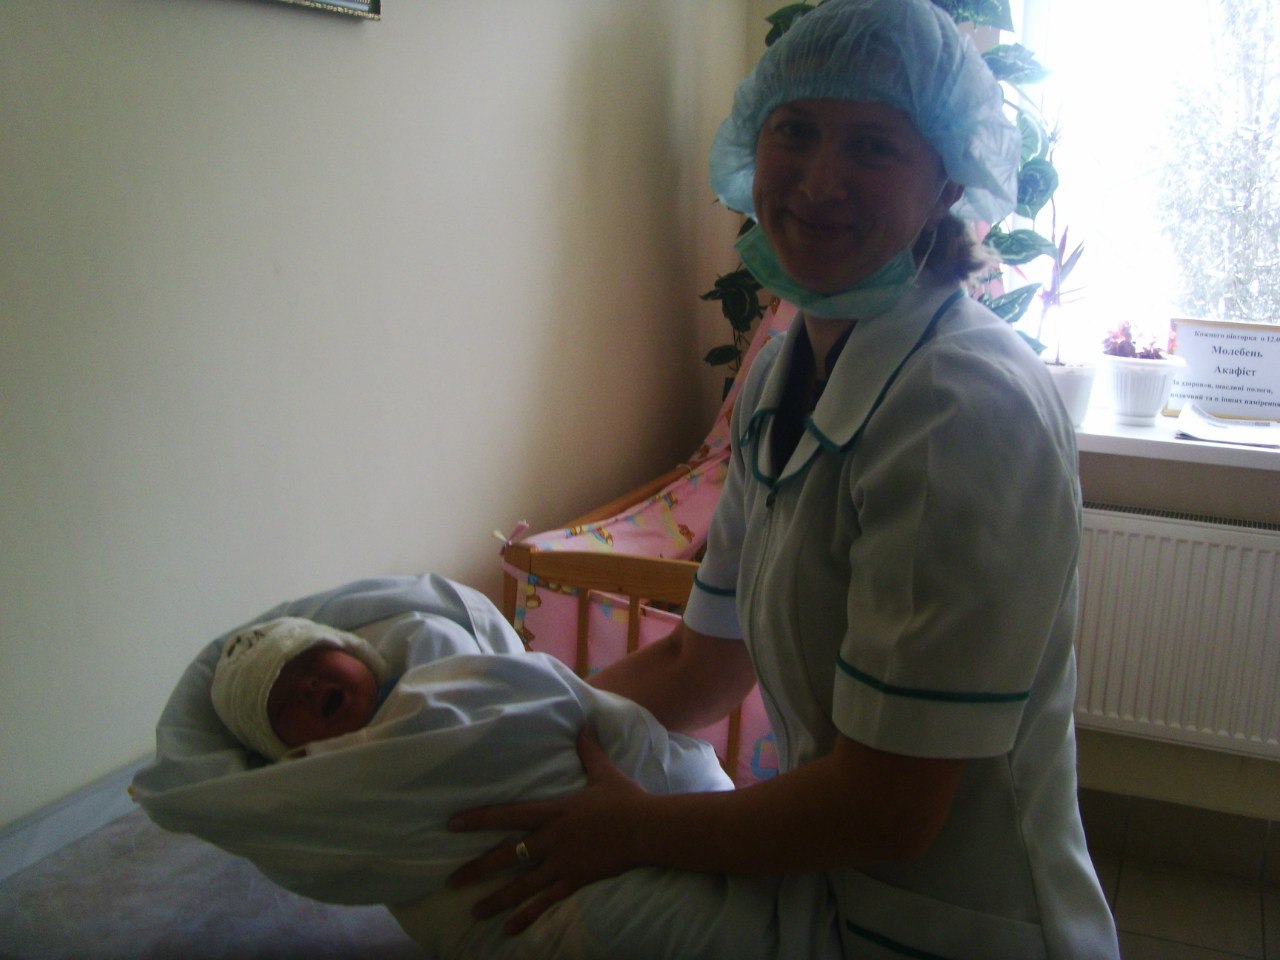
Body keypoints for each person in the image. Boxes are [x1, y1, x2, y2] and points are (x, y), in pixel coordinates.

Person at [447, 1, 1122, 957]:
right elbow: (700, 666)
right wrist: (507, 735)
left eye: (874, 146)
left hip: (954, 929)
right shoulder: (779, 370)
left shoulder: (961, 407)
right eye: (795, 131)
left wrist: (629, 829)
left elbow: (887, 810)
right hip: (827, 887)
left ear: (945, 184)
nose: (819, 179)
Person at [132, 573, 842, 960]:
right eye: (285, 705)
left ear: (355, 651)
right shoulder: (326, 784)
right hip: (523, 892)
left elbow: (549, 706)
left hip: (636, 793)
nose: (310, 688)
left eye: (313, 664)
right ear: (285, 755)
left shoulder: (439, 652)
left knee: (769, 873)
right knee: (678, 932)